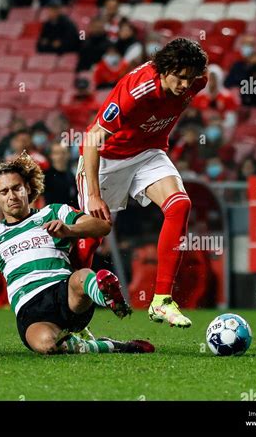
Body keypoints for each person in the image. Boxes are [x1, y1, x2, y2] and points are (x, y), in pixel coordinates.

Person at [0, 153, 154, 355]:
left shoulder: (54, 212)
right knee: (47, 346)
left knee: (82, 276)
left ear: (28, 189)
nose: (12, 195)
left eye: (17, 188)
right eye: (4, 191)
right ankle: (110, 345)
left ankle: (106, 295)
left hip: (65, 292)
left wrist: (69, 230)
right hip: (30, 309)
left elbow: (102, 226)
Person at [76, 37, 209, 328]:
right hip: (107, 159)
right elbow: (91, 138)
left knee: (180, 205)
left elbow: (192, 81)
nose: (186, 85)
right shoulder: (137, 89)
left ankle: (161, 300)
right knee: (92, 236)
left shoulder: (198, 81)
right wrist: (95, 196)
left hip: (148, 153)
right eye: (180, 78)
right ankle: (70, 314)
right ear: (164, 70)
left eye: (191, 78)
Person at [44, 142, 78, 207]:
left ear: (69, 154)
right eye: (57, 153)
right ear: (51, 155)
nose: (61, 156)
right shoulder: (44, 177)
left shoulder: (72, 176)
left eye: (63, 152)